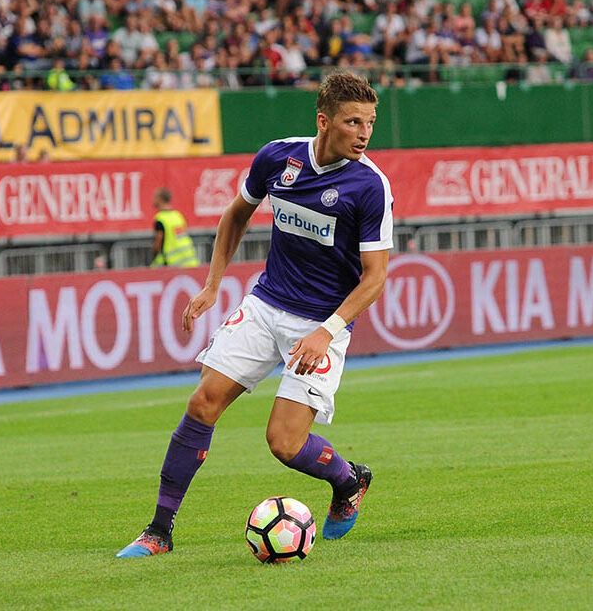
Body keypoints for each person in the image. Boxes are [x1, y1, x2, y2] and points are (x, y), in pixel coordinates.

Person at [117, 71, 393, 558]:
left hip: (321, 323)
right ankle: (159, 531)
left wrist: (326, 332)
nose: (365, 133)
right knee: (203, 403)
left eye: (370, 122)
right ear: (324, 121)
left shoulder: (370, 186)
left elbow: (374, 277)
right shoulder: (277, 157)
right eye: (354, 122)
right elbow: (236, 214)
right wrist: (212, 284)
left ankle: (348, 480)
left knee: (284, 442)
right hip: (266, 305)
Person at [151, 188, 199, 268]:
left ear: (160, 199)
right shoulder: (177, 215)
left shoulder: (160, 218)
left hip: (172, 263)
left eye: (155, 197)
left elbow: (158, 243)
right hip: (189, 259)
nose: (153, 200)